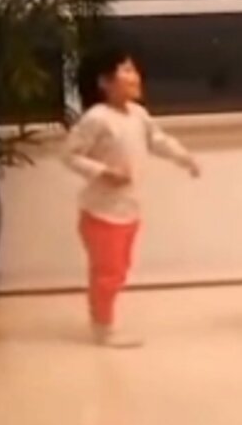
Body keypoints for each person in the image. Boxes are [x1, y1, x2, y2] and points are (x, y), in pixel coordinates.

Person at [63, 47, 200, 348]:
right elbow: (69, 155)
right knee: (107, 273)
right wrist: (103, 171)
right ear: (105, 81)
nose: (134, 76)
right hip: (101, 212)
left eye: (134, 69)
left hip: (128, 210)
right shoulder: (96, 119)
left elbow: (159, 141)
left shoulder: (138, 115)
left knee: (118, 270)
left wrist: (184, 158)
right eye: (125, 70)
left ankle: (103, 318)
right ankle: (103, 327)